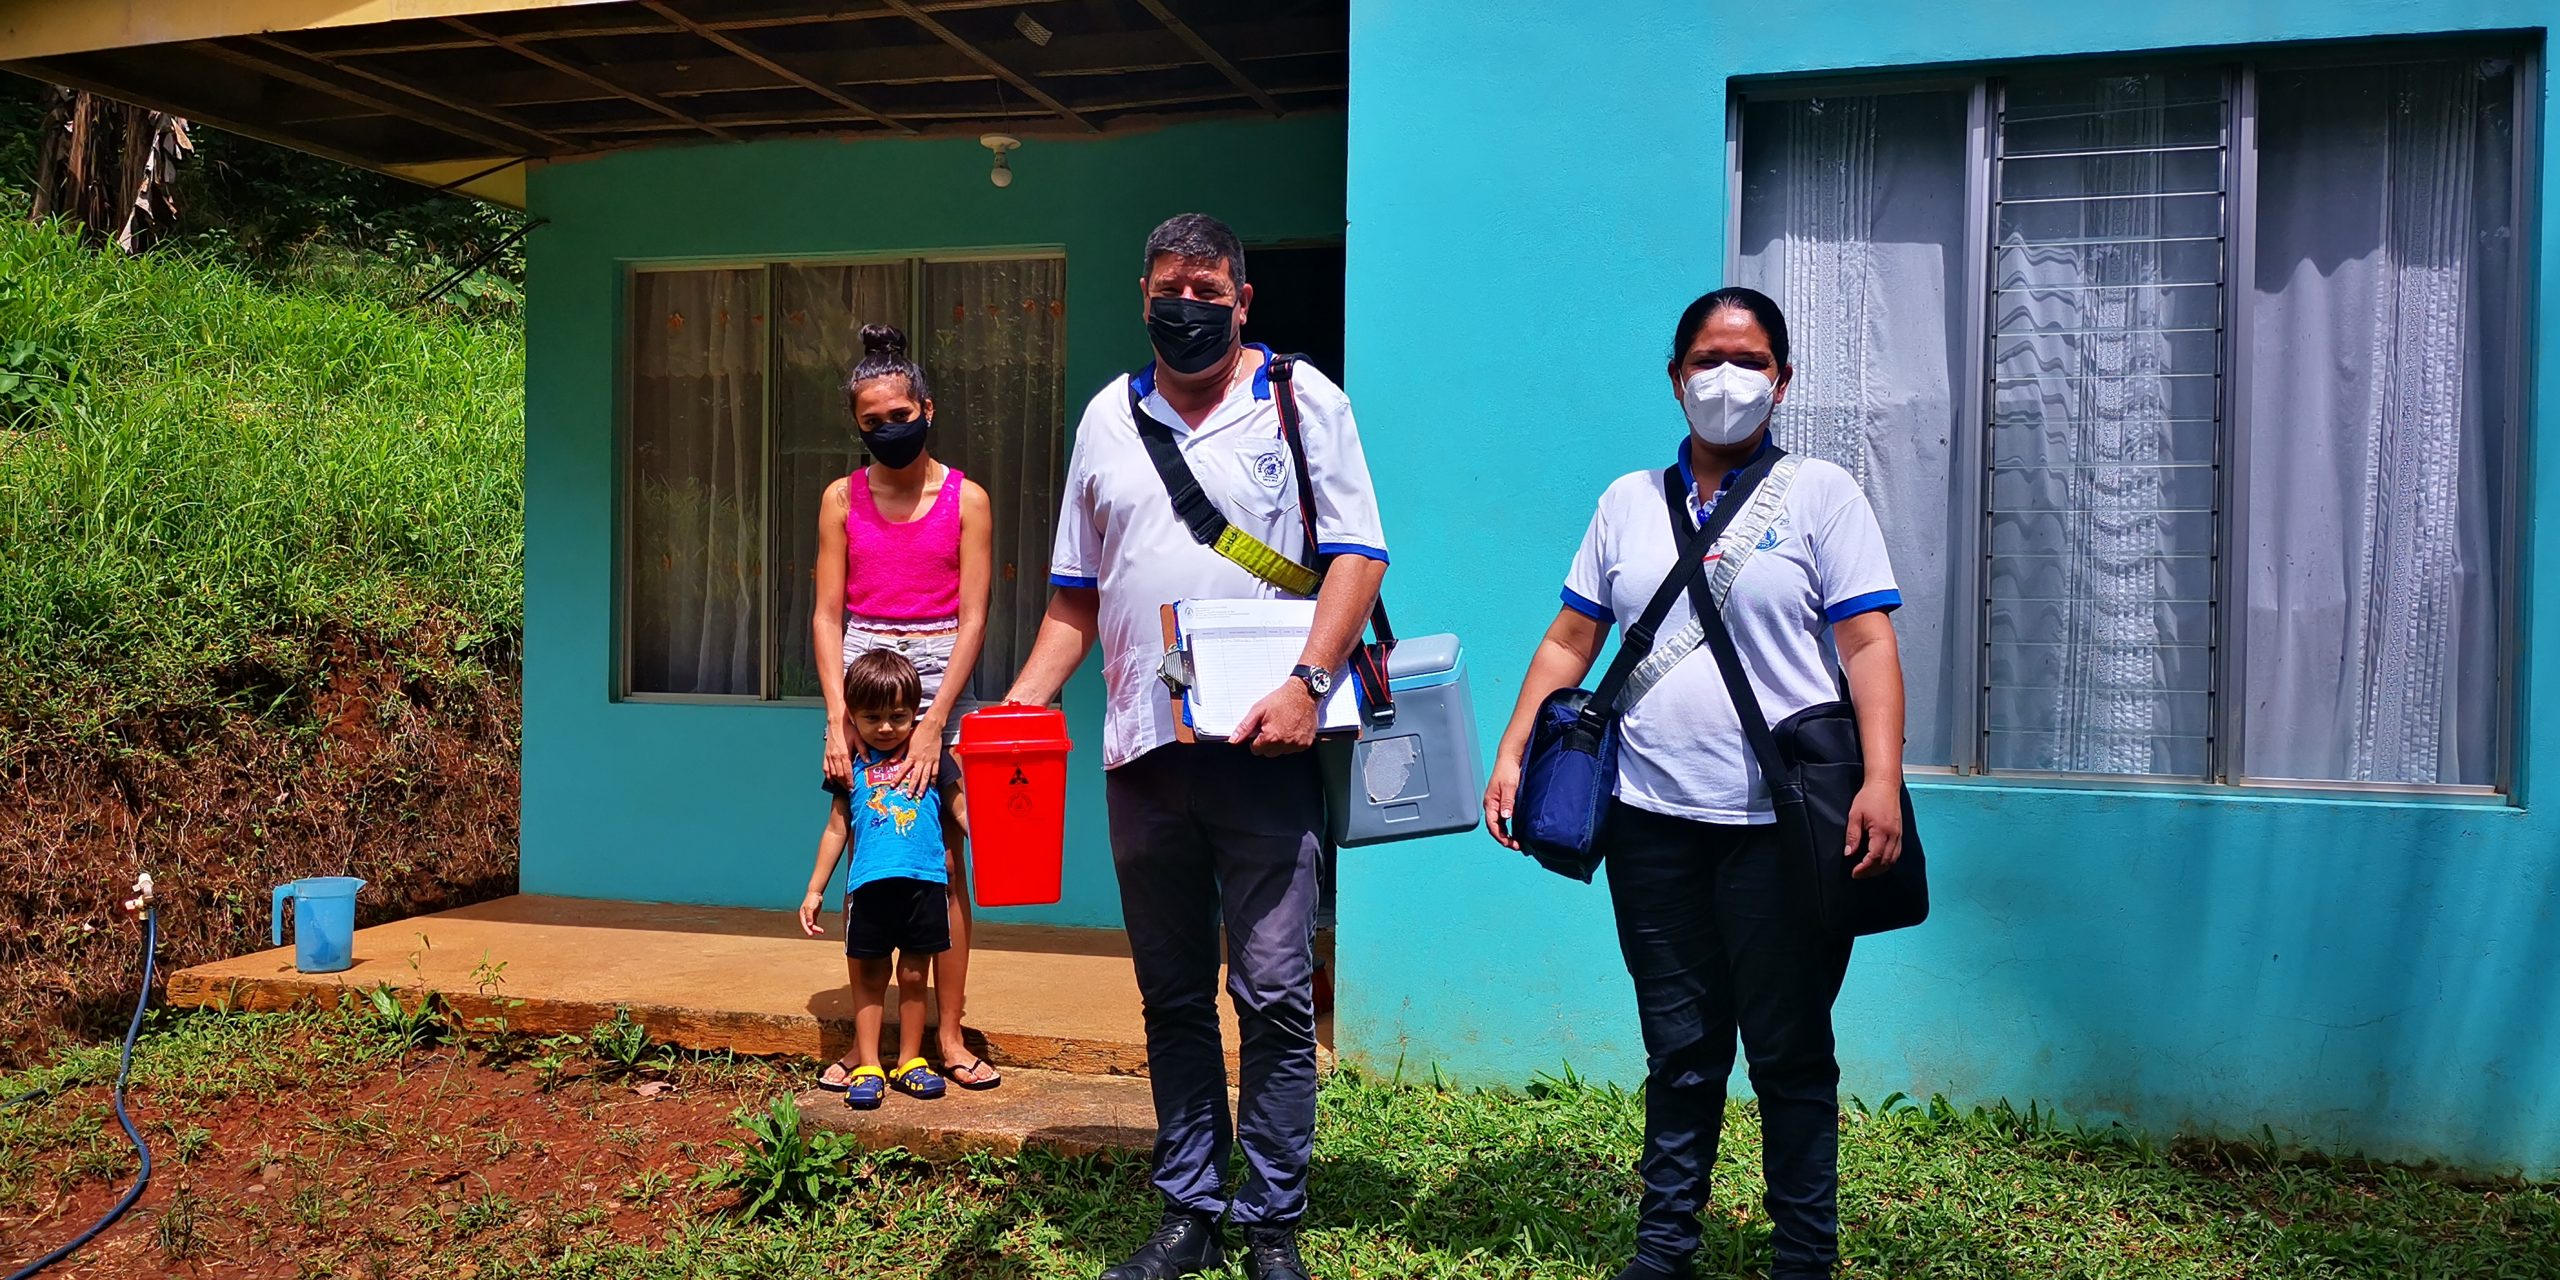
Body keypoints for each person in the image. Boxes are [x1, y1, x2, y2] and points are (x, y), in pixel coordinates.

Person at [1481, 286, 1908, 1280]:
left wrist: (1880, 776)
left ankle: (1803, 1254)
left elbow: (1869, 642)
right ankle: (1664, 1245)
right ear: (1675, 378)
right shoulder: (1626, 503)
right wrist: (1513, 750)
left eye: (1749, 358)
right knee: (1678, 1045)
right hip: (1648, 825)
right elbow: (1569, 638)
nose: (1728, 377)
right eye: (1708, 358)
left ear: (1783, 378)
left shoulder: (1822, 495)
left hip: (1781, 826)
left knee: (1790, 1047)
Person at [1003, 213, 1389, 1280]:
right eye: (1171, 287)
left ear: (1242, 300)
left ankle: (1271, 1220)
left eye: (1208, 290)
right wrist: (1016, 710)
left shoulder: (1303, 402)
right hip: (1144, 757)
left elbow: (1358, 557)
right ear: (1142, 295)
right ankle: (1187, 1209)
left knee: (1269, 991)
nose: (1188, 305)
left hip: (1264, 752)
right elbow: (1072, 604)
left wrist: (1311, 684)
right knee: (1170, 993)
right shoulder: (1104, 420)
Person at [811, 323, 1001, 1092]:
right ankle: (868, 1049)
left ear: (927, 407)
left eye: (900, 413)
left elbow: (976, 619)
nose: (889, 428)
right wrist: (836, 717)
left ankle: (946, 1040)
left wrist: (935, 723)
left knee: (940, 861)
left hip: (938, 680)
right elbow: (827, 614)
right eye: (873, 420)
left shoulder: (969, 500)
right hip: (862, 683)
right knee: (870, 846)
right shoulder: (840, 499)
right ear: (857, 425)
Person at [798, 649, 956, 1110]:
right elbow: (835, 828)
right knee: (868, 975)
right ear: (851, 715)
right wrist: (814, 889)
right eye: (872, 717)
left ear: (915, 713)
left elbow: (960, 808)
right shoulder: (850, 767)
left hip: (922, 885)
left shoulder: (931, 758)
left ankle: (910, 1061)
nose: (886, 727)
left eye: (898, 716)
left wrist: (995, 840)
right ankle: (868, 1064)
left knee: (912, 974)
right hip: (868, 887)